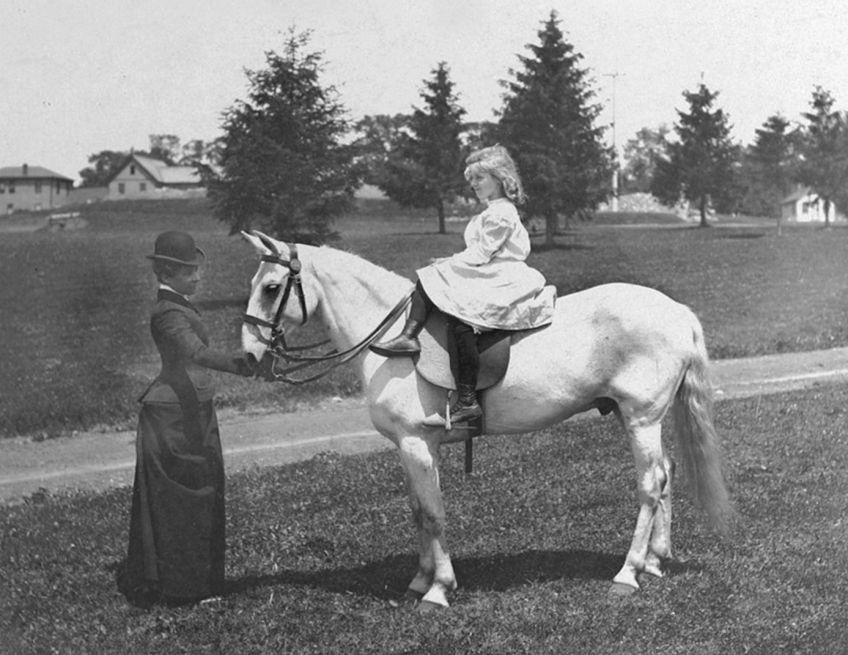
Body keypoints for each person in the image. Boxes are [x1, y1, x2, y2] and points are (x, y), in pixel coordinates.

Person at [370, 145, 556, 423]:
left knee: (460, 316)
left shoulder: (502, 213)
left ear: (499, 178)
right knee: (431, 278)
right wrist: (451, 262)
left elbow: (483, 252)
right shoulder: (492, 211)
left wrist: (450, 262)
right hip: (488, 270)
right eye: (471, 180)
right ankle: (409, 336)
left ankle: (467, 399)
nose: (474, 185)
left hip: (503, 275)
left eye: (480, 178)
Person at [120, 230, 254, 606]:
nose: (197, 277)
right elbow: (195, 353)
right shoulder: (168, 313)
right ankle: (184, 589)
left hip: (189, 408)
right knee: (182, 502)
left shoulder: (178, 305)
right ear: (167, 273)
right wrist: (243, 365)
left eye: (197, 269)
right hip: (173, 416)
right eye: (189, 271)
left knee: (199, 495)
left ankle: (196, 584)